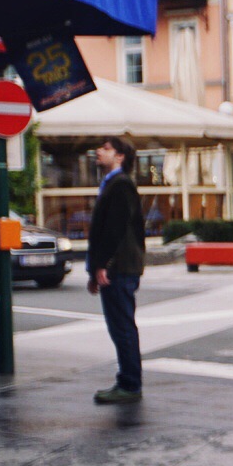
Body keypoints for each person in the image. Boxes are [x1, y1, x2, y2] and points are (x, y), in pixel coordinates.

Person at [87, 136, 146, 404]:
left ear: (120, 156)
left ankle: (130, 385)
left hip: (119, 268)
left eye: (106, 148)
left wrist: (103, 265)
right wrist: (94, 269)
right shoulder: (113, 183)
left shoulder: (120, 185)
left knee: (122, 328)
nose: (99, 151)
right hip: (117, 267)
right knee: (120, 327)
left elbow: (115, 230)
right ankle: (128, 381)